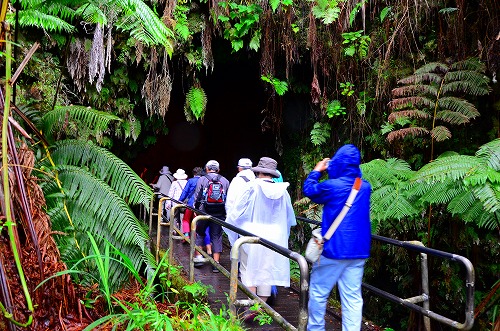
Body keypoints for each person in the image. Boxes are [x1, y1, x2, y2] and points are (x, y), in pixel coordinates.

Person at [303, 144, 372, 331]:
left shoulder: (332, 186)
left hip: (334, 250)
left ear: (338, 163)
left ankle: (316, 329)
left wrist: (318, 170)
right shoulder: (364, 187)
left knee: (318, 293)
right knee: (352, 298)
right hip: (358, 252)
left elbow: (309, 190)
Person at [224, 157, 296, 321]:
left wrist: (231, 228)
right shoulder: (283, 191)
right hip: (275, 237)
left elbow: (237, 212)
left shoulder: (252, 187)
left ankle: (252, 303)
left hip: (252, 234)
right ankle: (261, 304)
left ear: (258, 172)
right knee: (266, 270)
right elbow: (289, 218)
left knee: (248, 270)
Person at [192, 160, 230, 273]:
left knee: (200, 233)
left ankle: (199, 258)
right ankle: (216, 263)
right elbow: (227, 198)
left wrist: (196, 210)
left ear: (207, 169)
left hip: (204, 211)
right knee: (216, 236)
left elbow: (197, 196)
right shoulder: (225, 181)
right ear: (218, 169)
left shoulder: (202, 179)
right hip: (219, 213)